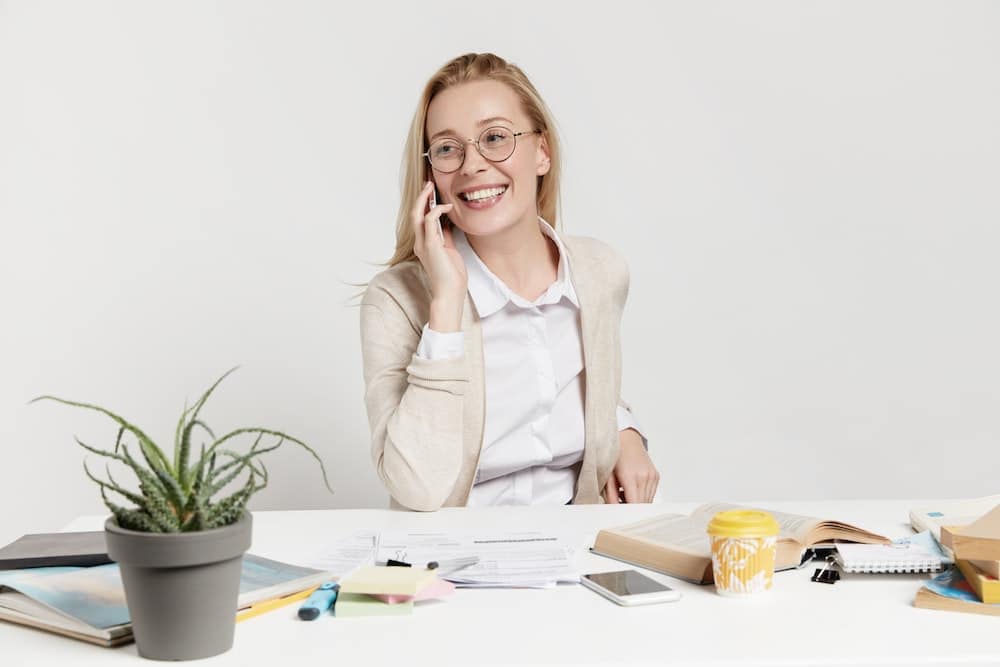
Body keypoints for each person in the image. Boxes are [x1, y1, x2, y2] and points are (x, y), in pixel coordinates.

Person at [360, 53, 659, 511]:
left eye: (495, 138)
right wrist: (445, 306)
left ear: (542, 152)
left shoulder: (600, 272)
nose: (471, 164)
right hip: (450, 566)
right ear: (431, 175)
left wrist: (627, 433)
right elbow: (417, 488)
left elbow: (585, 380)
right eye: (446, 148)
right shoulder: (396, 300)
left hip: (575, 551)